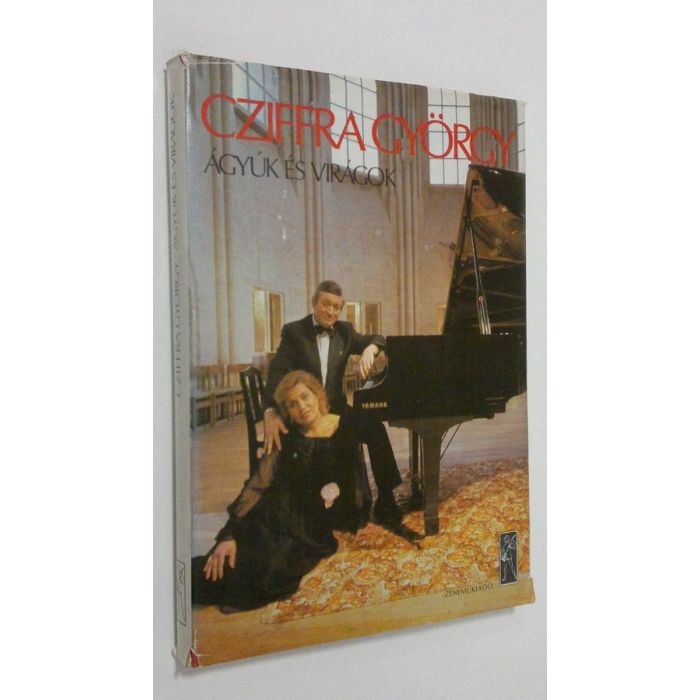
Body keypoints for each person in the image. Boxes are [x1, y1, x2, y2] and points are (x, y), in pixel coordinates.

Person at [192, 371, 371, 613]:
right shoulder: (285, 434)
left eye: (305, 397)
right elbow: (258, 485)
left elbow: (353, 486)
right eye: (292, 404)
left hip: (308, 525)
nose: (302, 407)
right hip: (270, 514)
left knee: (267, 566)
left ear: (317, 395)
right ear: (287, 412)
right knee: (222, 560)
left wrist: (334, 500)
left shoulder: (342, 426)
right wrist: (229, 534)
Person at [262, 280, 403, 524]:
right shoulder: (294, 332)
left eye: (336, 307)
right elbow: (276, 375)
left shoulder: (345, 331)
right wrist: (270, 412)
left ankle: (386, 498)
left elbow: (377, 338)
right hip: (305, 416)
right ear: (314, 303)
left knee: (375, 428)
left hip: (336, 411)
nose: (331, 311)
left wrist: (370, 349)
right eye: (326, 304)